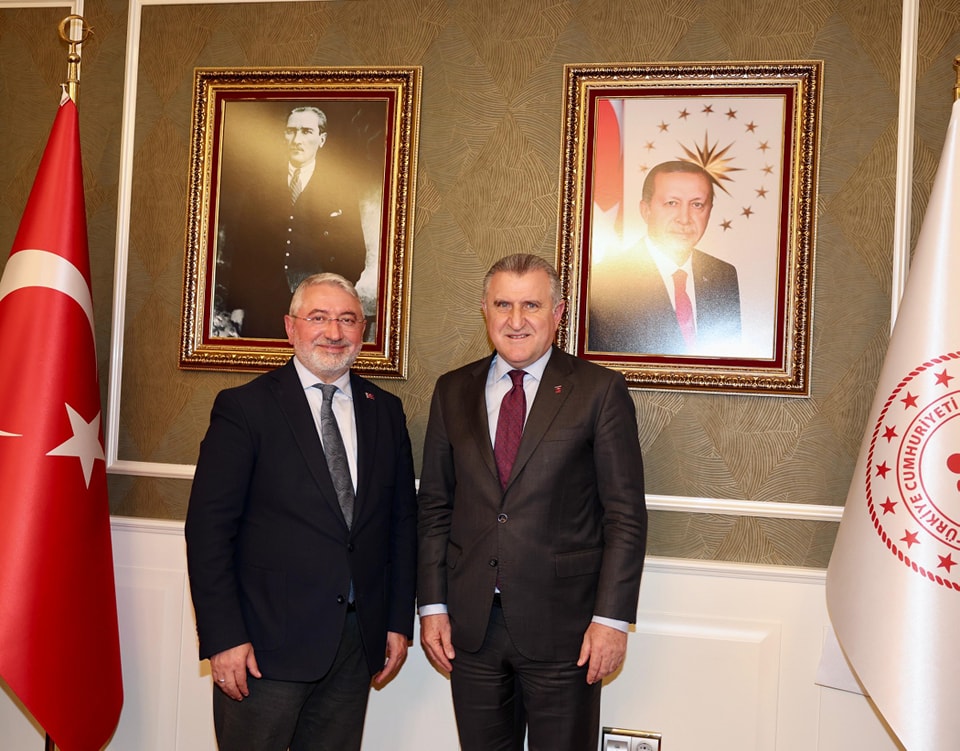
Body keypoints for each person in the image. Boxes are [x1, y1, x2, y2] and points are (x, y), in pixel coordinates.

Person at [417, 253, 647, 751]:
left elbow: (625, 517)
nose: (515, 320)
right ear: (485, 310)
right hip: (471, 629)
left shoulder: (599, 390)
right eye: (503, 304)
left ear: (558, 313)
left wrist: (610, 621)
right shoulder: (452, 390)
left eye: (531, 305)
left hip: (566, 631)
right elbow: (435, 507)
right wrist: (432, 606)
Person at [185, 272, 417, 750]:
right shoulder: (245, 408)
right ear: (291, 327)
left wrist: (396, 621)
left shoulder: (385, 411)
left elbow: (401, 525)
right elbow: (209, 532)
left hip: (354, 642)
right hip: (263, 645)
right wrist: (224, 637)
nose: (334, 332)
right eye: (318, 318)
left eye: (347, 319)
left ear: (363, 331)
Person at [215, 106, 368, 339]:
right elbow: (243, 250)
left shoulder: (340, 190)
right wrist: (239, 305)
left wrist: (330, 299)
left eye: (306, 131)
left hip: (317, 309)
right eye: (291, 131)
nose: (297, 140)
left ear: (322, 139)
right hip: (263, 306)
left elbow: (354, 255)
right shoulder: (260, 185)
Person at [588, 160, 741, 357]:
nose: (684, 219)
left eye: (697, 205)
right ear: (646, 211)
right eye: (672, 203)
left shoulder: (723, 275)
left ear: (709, 212)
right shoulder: (605, 281)